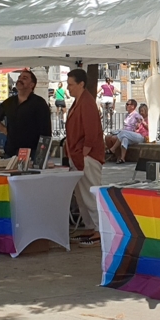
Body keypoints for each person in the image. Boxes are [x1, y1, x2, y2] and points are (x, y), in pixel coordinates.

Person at [65, 69, 105, 248]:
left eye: (71, 84)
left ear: (81, 84)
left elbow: (91, 130)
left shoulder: (87, 102)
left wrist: (85, 152)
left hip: (86, 156)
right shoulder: (80, 101)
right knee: (82, 195)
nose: (68, 88)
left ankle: (99, 229)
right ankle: (90, 227)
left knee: (90, 192)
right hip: (79, 154)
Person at [0, 70, 52, 158]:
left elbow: (46, 131)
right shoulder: (10, 102)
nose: (20, 80)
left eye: (24, 78)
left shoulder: (39, 103)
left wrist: (41, 154)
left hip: (32, 152)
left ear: (32, 85)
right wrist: (4, 130)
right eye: (19, 77)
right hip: (11, 150)